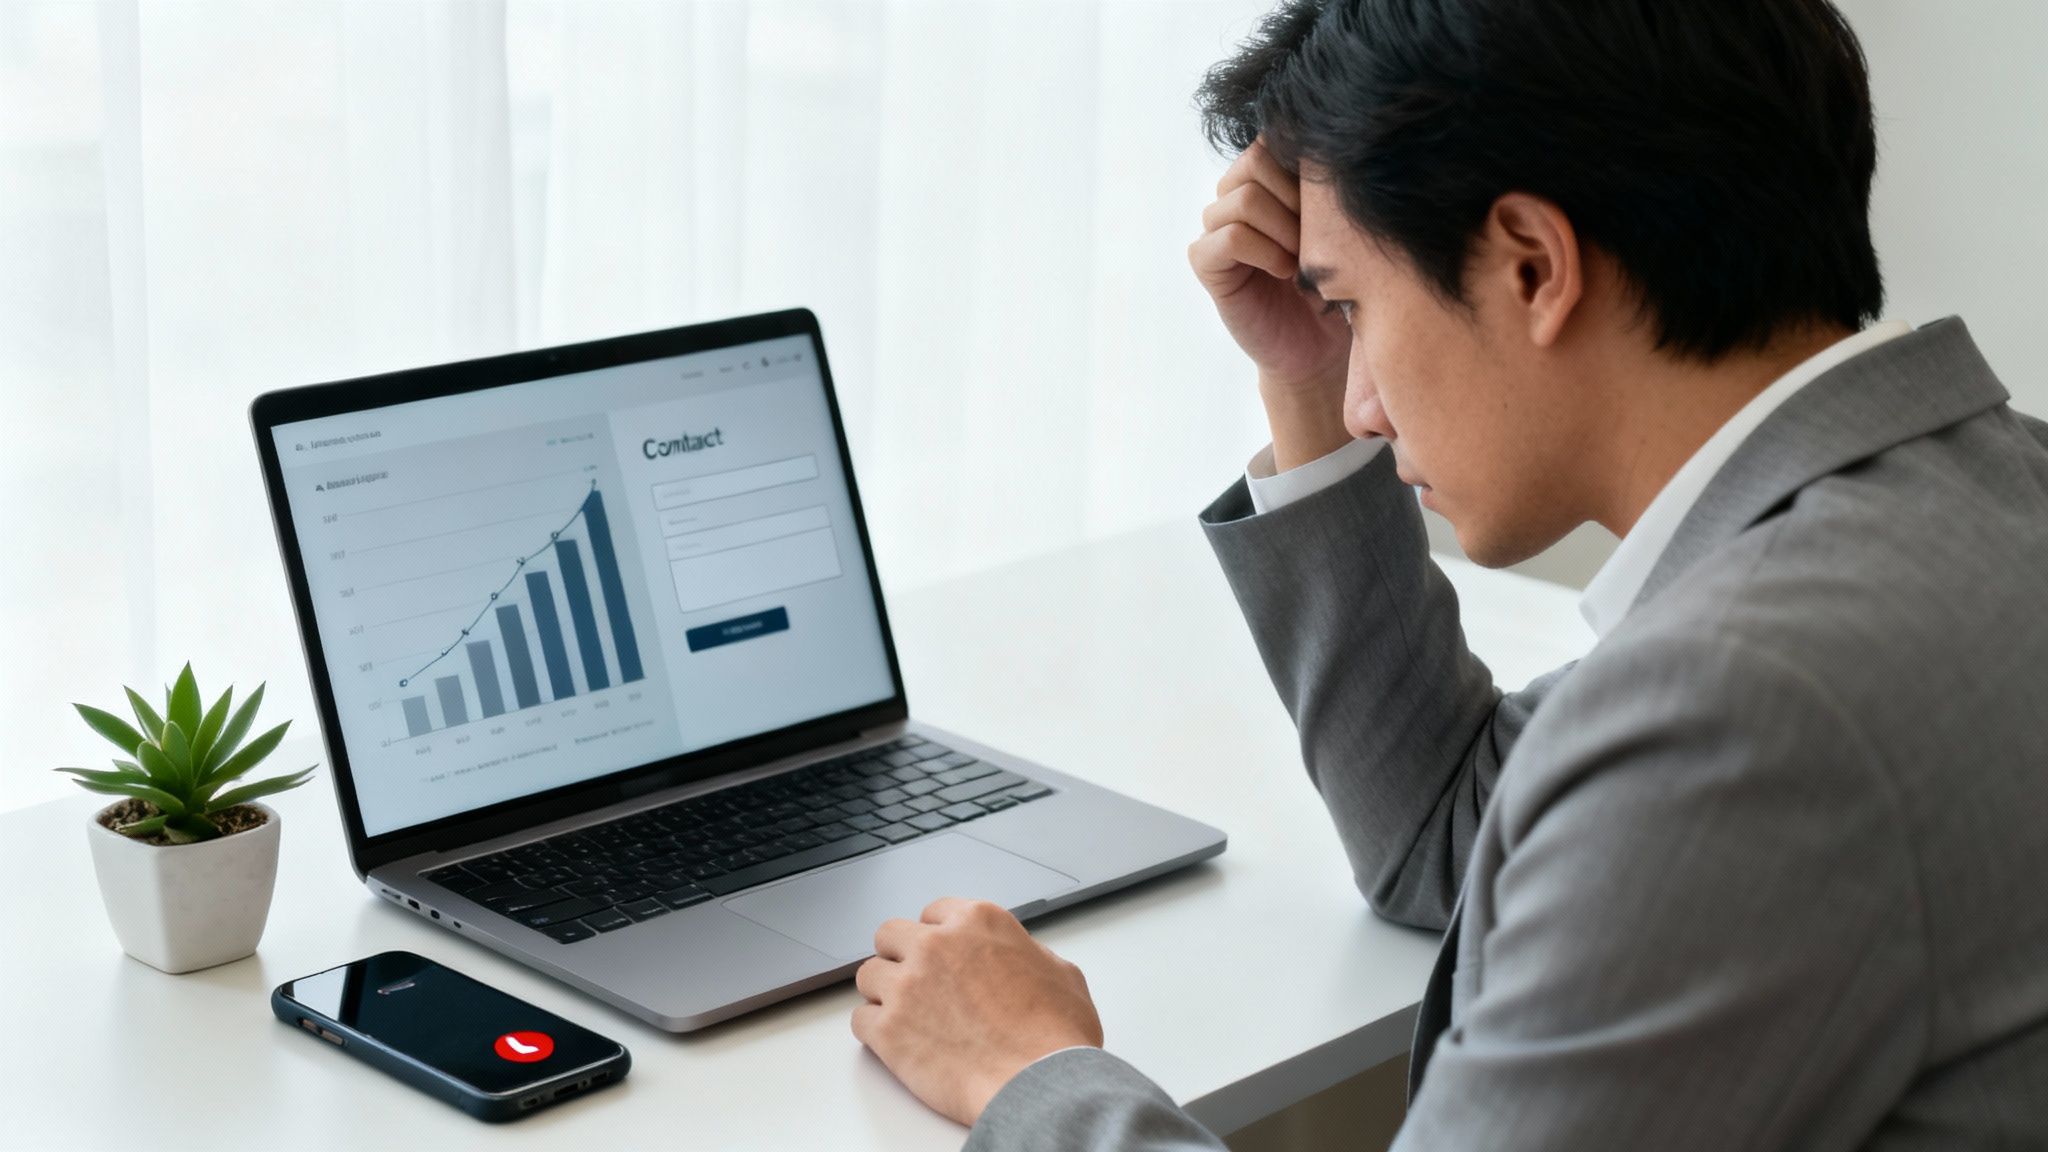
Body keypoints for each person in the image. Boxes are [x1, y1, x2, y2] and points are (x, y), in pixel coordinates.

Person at [850, 0, 2048, 1147]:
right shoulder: (1980, 494)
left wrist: (1029, 1075)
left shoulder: (1742, 710)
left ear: (1530, 262)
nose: (1361, 408)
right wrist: (1308, 375)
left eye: (1357, 308)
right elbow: (1444, 832)